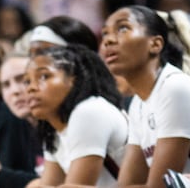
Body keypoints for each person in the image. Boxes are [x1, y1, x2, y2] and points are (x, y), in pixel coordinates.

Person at [101, 5, 190, 186]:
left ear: (155, 44)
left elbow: (160, 185)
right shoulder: (138, 103)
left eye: (123, 28)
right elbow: (127, 184)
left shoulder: (175, 89)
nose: (108, 40)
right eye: (105, 33)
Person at [25, 44, 128, 187]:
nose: (31, 88)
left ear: (74, 78)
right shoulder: (53, 129)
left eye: (44, 76)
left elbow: (76, 186)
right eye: (27, 81)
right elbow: (49, 184)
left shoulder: (89, 111)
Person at [0, 52, 42, 188]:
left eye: (22, 79)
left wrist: (0, 176)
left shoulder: (66, 124)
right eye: (6, 85)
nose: (14, 91)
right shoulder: (26, 130)